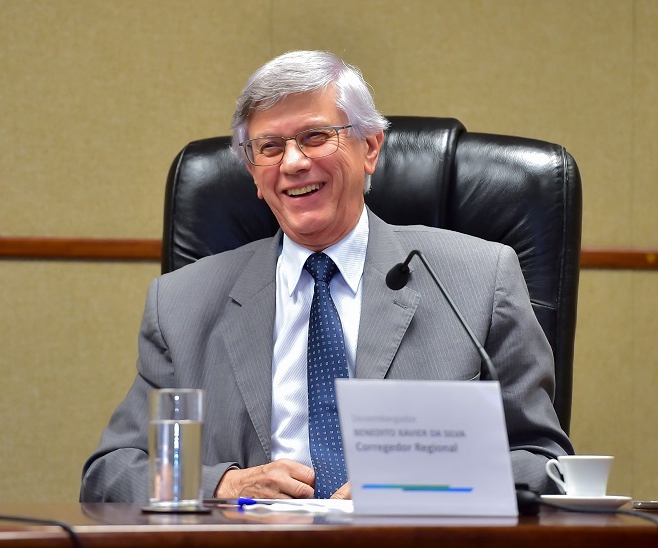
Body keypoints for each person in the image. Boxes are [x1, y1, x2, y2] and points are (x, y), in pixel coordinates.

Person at [80, 50, 573, 503]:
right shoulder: (182, 303)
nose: (293, 163)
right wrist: (225, 484)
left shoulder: (478, 279)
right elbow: (112, 474)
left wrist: (413, 486)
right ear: (253, 173)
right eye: (269, 147)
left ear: (371, 147)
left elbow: (543, 464)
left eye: (315, 137)